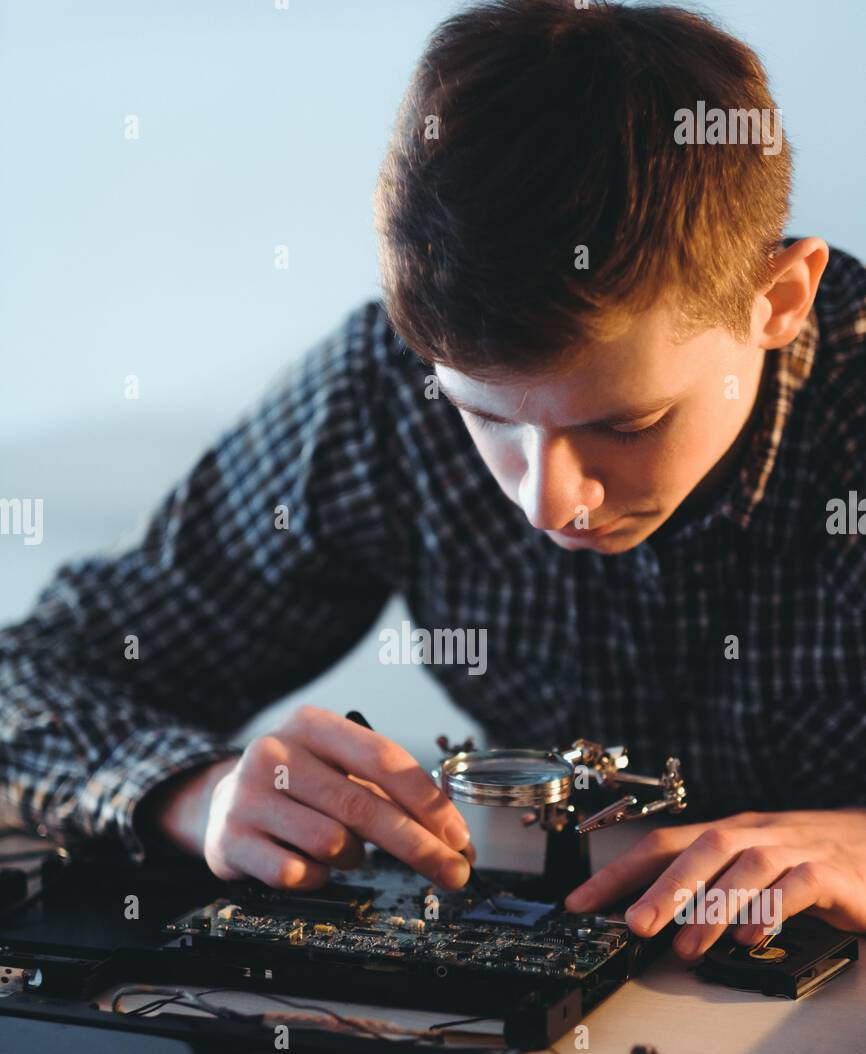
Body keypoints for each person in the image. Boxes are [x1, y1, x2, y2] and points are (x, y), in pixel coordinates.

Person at [1, 1, 864, 961]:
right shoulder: (386, 388)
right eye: (486, 417)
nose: (546, 500)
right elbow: (29, 678)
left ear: (780, 300)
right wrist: (194, 793)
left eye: (626, 423)